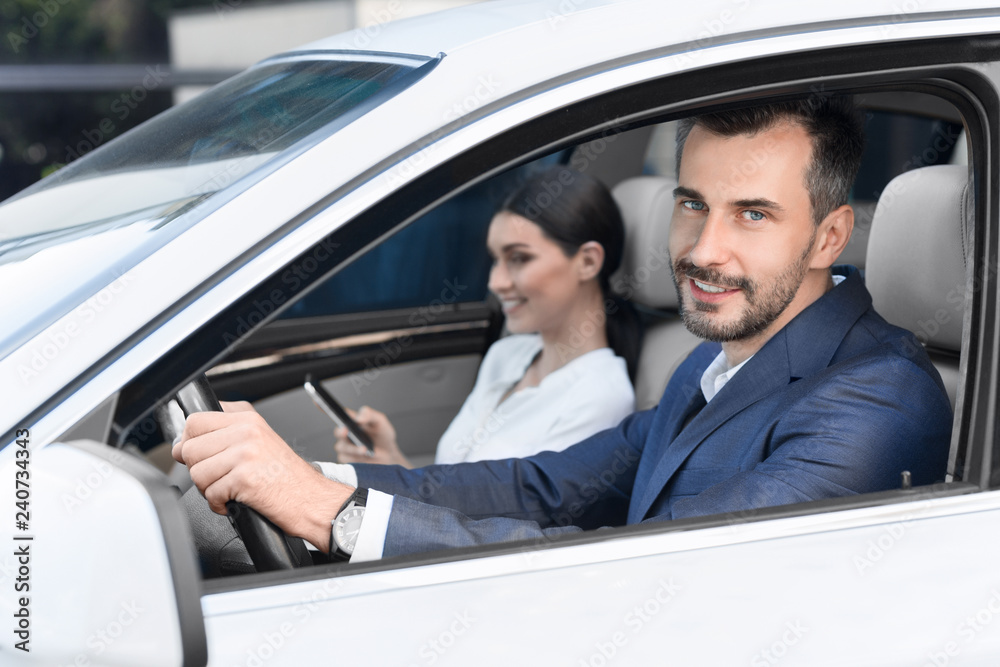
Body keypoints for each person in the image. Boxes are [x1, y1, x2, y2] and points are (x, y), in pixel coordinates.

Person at [173, 96, 953, 564]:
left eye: (753, 214)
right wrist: (306, 476)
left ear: (828, 237)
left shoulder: (878, 398)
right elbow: (539, 486)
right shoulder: (715, 364)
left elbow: (650, 565)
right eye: (692, 204)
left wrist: (332, 515)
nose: (703, 250)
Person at [334, 166, 638, 467]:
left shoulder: (599, 397)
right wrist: (393, 462)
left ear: (587, 261)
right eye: (496, 260)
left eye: (519, 258)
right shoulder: (507, 354)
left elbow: (515, 517)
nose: (495, 282)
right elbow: (454, 495)